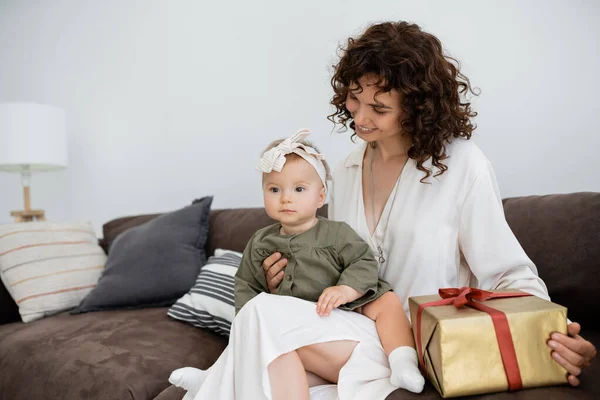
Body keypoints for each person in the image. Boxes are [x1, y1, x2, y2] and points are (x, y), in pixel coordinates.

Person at [259, 20, 596, 391]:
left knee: (264, 345)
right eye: (354, 98)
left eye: (379, 107)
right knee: (263, 320)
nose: (359, 117)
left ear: (416, 108)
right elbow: (344, 272)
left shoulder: (462, 165)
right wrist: (290, 276)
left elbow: (507, 273)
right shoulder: (344, 170)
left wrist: (549, 331)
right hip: (353, 334)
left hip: (426, 346)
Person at [170, 129, 425, 399]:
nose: (286, 198)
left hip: (341, 322)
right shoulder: (260, 243)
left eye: (299, 189)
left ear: (320, 196)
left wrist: (345, 290)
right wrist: (252, 326)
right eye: (275, 189)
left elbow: (363, 262)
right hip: (303, 338)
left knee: (385, 301)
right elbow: (246, 288)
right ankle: (217, 379)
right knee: (265, 342)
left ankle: (402, 361)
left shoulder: (336, 234)